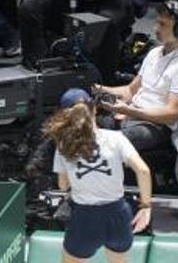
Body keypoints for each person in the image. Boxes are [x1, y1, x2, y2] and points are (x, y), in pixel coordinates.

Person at [94, 0, 178, 208]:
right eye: (157, 22)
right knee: (79, 126)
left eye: (163, 25)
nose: (155, 29)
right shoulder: (155, 53)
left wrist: (128, 110)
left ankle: (103, 201)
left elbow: (171, 114)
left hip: (157, 127)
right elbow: (129, 90)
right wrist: (99, 89)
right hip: (131, 113)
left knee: (108, 144)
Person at [43, 90, 153, 262]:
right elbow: (143, 171)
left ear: (65, 116)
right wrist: (146, 206)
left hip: (85, 218)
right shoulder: (116, 138)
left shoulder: (64, 145)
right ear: (94, 109)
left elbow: (63, 185)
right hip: (118, 215)